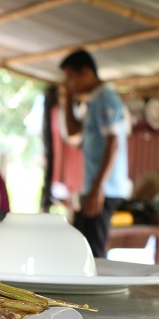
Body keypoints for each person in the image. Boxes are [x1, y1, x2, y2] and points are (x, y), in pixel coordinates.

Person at [59, 48, 130, 258]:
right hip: (94, 187)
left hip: (104, 189)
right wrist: (68, 99)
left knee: (93, 251)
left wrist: (99, 187)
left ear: (86, 72)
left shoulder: (106, 99)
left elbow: (114, 143)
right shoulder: (91, 102)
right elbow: (72, 131)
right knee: (81, 245)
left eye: (71, 77)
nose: (70, 83)